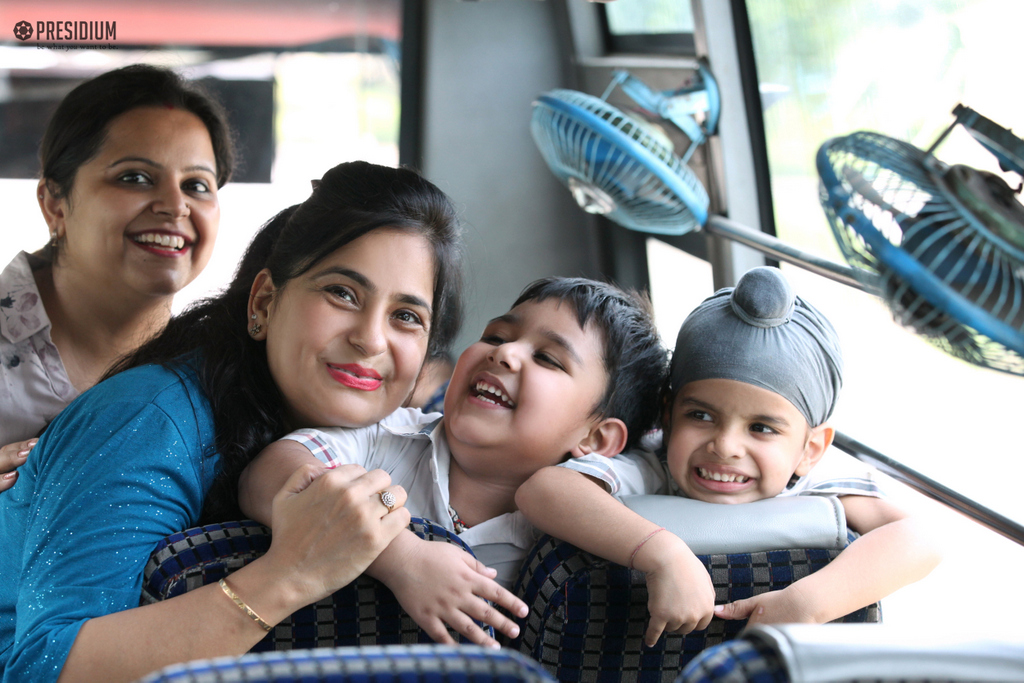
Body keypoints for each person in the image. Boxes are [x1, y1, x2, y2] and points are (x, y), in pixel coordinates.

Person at [0, 161, 472, 683]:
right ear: (265, 302)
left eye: (406, 316)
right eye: (342, 293)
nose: (370, 338)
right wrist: (290, 575)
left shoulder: (383, 441)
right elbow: (41, 668)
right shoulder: (149, 419)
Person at [516, 267, 942, 646]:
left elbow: (923, 537)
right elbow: (543, 490)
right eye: (700, 415)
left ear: (809, 450)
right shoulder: (651, 468)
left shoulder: (812, 484)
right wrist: (661, 553)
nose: (725, 445)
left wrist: (808, 603)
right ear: (667, 415)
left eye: (761, 428)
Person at [239, 277, 668, 645]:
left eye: (547, 358)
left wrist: (664, 555)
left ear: (596, 437)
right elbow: (266, 475)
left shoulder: (608, 480)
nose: (504, 353)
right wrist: (399, 555)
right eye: (497, 336)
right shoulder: (387, 435)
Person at [0, 64, 235, 490]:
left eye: (197, 185)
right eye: (135, 177)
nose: (174, 205)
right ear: (55, 204)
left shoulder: (222, 370)